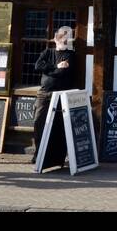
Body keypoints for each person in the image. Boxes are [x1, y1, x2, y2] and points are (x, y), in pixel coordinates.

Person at [32, 26, 80, 155]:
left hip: (61, 94)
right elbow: (37, 66)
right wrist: (55, 66)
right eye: (61, 39)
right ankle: (38, 153)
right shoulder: (48, 52)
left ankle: (57, 155)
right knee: (39, 122)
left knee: (60, 125)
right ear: (55, 39)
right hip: (44, 93)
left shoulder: (70, 55)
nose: (63, 42)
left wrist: (49, 70)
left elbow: (61, 73)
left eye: (66, 40)